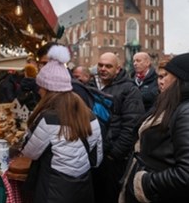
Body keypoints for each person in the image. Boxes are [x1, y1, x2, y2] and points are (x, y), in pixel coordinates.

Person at [21, 45, 103, 203]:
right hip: (83, 187)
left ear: (48, 89)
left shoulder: (48, 119)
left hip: (54, 189)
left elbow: (29, 152)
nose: (39, 91)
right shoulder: (90, 115)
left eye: (41, 87)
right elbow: (96, 159)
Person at [119, 53, 189, 202]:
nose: (162, 81)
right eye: (160, 76)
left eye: (167, 75)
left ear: (179, 79)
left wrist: (145, 183)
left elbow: (185, 173)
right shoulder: (168, 103)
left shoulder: (185, 112)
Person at [92, 52, 145, 203]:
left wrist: (114, 154)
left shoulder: (129, 90)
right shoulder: (93, 85)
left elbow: (132, 125)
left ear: (118, 69)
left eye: (108, 66)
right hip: (94, 155)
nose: (103, 69)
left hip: (113, 159)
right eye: (100, 65)